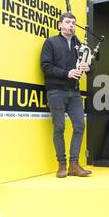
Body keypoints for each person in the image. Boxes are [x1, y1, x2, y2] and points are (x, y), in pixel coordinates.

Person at [41, 12, 92, 178]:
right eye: (68, 22)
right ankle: (61, 165)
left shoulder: (81, 45)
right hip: (56, 90)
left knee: (79, 125)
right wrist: (66, 73)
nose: (71, 25)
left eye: (73, 23)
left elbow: (91, 67)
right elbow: (46, 66)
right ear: (60, 25)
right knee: (59, 127)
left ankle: (74, 164)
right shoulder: (51, 42)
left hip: (74, 92)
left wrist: (88, 68)